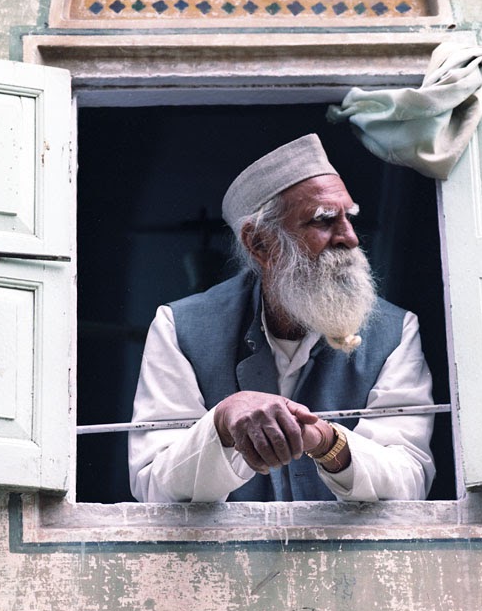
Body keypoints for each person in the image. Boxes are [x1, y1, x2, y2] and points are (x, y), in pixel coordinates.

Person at [128, 134, 436, 503]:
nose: (349, 237)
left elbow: (411, 479)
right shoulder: (180, 327)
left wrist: (326, 441)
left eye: (349, 218)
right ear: (260, 244)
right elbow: (153, 488)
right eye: (324, 221)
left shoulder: (395, 331)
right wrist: (222, 424)